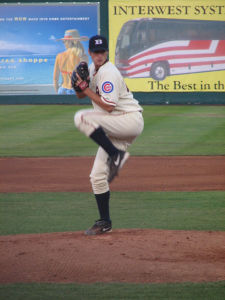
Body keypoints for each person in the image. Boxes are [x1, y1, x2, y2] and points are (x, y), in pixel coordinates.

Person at [72, 35, 144, 235]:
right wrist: (79, 86)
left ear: (107, 52)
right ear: (90, 53)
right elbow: (81, 94)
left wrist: (85, 89)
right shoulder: (94, 70)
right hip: (116, 127)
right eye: (95, 52)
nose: (99, 55)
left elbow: (109, 107)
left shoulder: (109, 72)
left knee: (81, 118)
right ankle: (105, 222)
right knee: (97, 177)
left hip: (127, 120)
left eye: (102, 51)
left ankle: (116, 155)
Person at [53, 29, 89, 94]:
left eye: (64, 41)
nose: (64, 44)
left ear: (70, 42)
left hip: (62, 90)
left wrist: (57, 92)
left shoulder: (59, 56)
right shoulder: (82, 57)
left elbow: (55, 78)